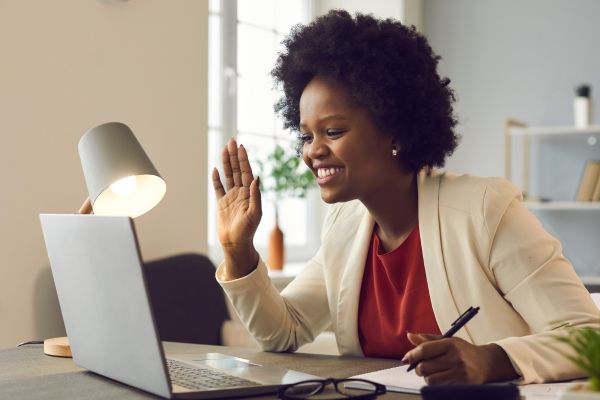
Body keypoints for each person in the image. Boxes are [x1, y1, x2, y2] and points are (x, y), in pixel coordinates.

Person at [211, 10, 598, 385]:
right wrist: (237, 248)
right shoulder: (344, 228)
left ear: (394, 130)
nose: (313, 151)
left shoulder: (484, 210)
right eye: (306, 136)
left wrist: (491, 359)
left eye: (333, 131)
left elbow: (589, 338)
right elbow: (283, 331)